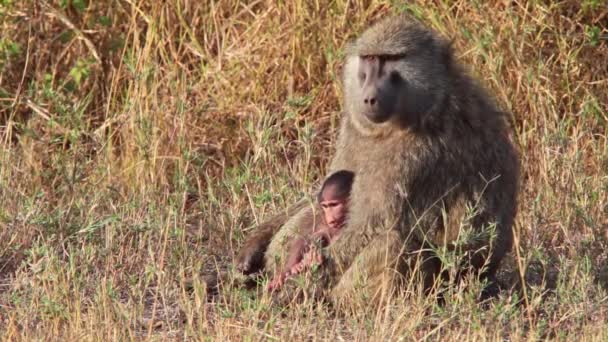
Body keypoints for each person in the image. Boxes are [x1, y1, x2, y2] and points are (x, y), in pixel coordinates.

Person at [267, 170, 354, 291]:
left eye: (334, 205)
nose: (330, 217)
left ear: (351, 198)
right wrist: (289, 268)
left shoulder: (357, 218)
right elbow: (307, 239)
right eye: (325, 206)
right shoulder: (326, 222)